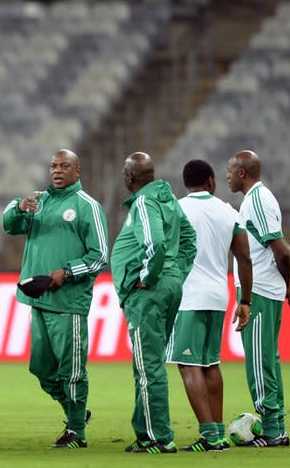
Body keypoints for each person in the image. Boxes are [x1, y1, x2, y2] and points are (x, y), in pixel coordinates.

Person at [3, 149, 107, 449]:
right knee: (42, 370)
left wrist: (67, 272)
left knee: (71, 371)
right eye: (53, 166)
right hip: (39, 300)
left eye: (64, 166)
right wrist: (19, 207)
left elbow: (99, 256)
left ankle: (76, 431)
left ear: (78, 171)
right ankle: (77, 413)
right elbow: (10, 226)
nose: (57, 171)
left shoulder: (88, 206)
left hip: (68, 302)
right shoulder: (39, 201)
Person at [111, 152, 196, 454]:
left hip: (148, 292)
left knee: (149, 367)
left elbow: (156, 243)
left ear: (130, 177)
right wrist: (178, 271)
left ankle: (159, 436)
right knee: (148, 363)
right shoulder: (167, 199)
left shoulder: (145, 202)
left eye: (124, 171)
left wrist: (148, 276)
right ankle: (146, 433)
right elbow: (188, 237)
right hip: (168, 286)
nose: (123, 176)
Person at [167, 159, 253, 451]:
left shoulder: (176, 209)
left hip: (188, 297)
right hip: (219, 296)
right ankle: (217, 431)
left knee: (188, 365)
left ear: (185, 182)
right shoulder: (228, 211)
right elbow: (244, 258)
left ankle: (209, 435)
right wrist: (245, 301)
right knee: (210, 364)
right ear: (211, 181)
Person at [226, 150, 290, 446]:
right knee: (268, 359)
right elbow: (284, 248)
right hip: (266, 290)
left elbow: (282, 250)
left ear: (243, 173)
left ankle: (271, 429)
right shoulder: (261, 199)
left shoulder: (257, 201)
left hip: (258, 292)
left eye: (231, 170)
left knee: (259, 362)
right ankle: (277, 425)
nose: (228, 176)